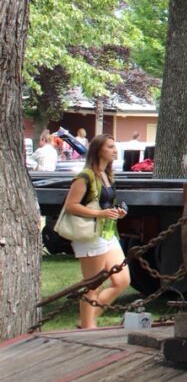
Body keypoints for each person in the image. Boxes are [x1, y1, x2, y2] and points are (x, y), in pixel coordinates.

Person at [61, 133, 131, 328]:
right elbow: (70, 205)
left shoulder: (106, 175)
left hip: (108, 234)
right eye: (110, 147)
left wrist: (116, 212)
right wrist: (100, 214)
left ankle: (87, 322)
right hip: (90, 235)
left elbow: (105, 203)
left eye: (114, 146)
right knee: (93, 284)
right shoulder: (85, 177)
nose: (114, 150)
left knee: (122, 281)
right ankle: (87, 327)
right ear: (98, 150)